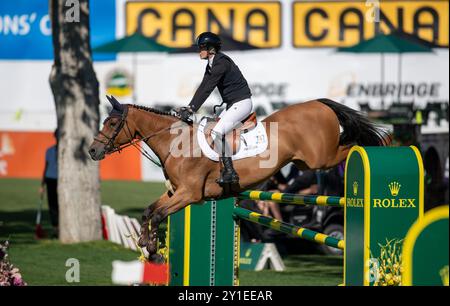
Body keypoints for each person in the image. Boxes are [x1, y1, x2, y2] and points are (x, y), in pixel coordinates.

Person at [175, 32, 253, 186]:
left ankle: (230, 172)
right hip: (233, 104)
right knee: (209, 129)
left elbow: (208, 88)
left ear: (211, 49)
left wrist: (191, 110)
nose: (199, 50)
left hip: (242, 103)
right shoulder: (211, 63)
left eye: (202, 47)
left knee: (217, 132)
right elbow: (202, 87)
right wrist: (190, 107)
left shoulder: (221, 63)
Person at [39, 129, 59, 237]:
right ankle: (55, 228)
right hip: (50, 179)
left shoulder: (65, 151)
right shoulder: (49, 150)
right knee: (52, 204)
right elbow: (45, 167)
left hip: (61, 181)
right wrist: (42, 185)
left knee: (61, 204)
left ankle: (61, 227)